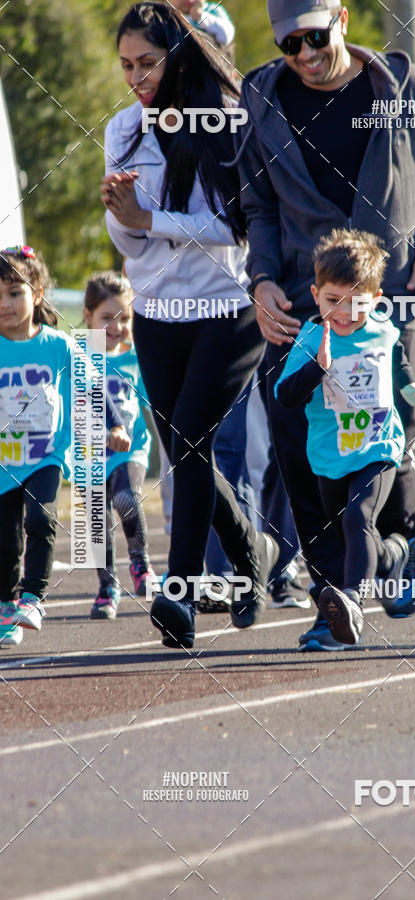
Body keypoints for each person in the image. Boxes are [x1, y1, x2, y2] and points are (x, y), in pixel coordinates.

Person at [234, 0, 415, 649]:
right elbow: (254, 204)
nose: (305, 56)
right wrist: (259, 282)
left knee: (393, 423)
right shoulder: (261, 98)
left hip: (390, 297)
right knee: (303, 456)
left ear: (341, 16)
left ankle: (401, 543)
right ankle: (330, 600)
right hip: (301, 304)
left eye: (315, 37)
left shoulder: (403, 85)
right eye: (289, 45)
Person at [102, 3, 278, 649]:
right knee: (187, 450)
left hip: (230, 308)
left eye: (147, 62)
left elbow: (237, 229)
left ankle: (177, 593)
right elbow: (133, 245)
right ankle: (251, 548)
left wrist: (151, 221)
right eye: (125, 64)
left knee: (192, 440)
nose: (136, 76)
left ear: (177, 54)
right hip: (156, 311)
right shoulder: (123, 127)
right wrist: (125, 216)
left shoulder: (227, 119)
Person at [276, 229, 415, 645]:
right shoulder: (311, 340)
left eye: (358, 305)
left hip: (376, 449)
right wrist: (316, 368)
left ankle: (352, 604)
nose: (346, 314)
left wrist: (412, 390)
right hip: (329, 458)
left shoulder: (383, 329)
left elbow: (399, 366)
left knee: (357, 518)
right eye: (334, 302)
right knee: (351, 538)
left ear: (377, 298)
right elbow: (285, 396)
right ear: (315, 294)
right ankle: (396, 554)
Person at [0, 246, 130, 646]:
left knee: (40, 518)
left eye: (14, 292)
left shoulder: (57, 345)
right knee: (5, 538)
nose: (4, 303)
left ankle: (33, 597)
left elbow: (92, 383)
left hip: (46, 454)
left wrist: (114, 424)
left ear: (36, 294)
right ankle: (6, 606)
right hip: (5, 459)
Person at [82, 271, 157, 619]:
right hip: (87, 453)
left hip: (130, 447)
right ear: (88, 316)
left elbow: (155, 400)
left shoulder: (136, 358)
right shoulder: (75, 355)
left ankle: (140, 564)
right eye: (106, 318)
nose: (116, 326)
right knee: (97, 522)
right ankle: (107, 587)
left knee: (125, 497)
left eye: (124, 318)